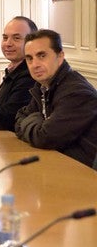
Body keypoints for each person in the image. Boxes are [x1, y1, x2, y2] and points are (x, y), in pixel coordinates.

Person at [14, 29, 97, 167]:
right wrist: (37, 124)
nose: (35, 64)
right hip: (55, 163)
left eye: (42, 56)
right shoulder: (43, 86)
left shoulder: (77, 92)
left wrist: (35, 124)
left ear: (60, 56)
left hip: (81, 172)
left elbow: (45, 138)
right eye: (29, 58)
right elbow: (18, 119)